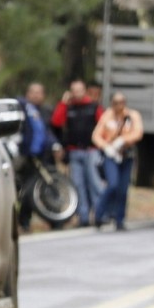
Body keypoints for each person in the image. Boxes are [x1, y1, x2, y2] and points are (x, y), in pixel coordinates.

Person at [50, 79, 104, 227]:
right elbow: (56, 122)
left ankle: (100, 214)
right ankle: (83, 217)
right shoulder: (69, 108)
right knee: (78, 185)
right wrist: (63, 103)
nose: (77, 93)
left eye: (79, 90)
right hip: (74, 152)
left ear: (84, 91)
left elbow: (104, 125)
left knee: (94, 184)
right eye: (74, 91)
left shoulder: (94, 107)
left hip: (91, 151)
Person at [14, 82, 64, 231]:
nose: (36, 95)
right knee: (27, 188)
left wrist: (56, 145)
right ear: (27, 94)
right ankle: (24, 221)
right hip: (26, 156)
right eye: (33, 92)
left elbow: (50, 131)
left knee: (49, 185)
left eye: (39, 92)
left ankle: (56, 221)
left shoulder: (47, 111)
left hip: (44, 156)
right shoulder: (22, 109)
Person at [91, 92, 144, 231]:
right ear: (111, 103)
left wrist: (123, 140)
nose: (119, 105)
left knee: (123, 189)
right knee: (112, 184)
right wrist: (106, 147)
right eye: (116, 103)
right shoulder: (107, 116)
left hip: (126, 155)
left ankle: (119, 219)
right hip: (111, 155)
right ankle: (99, 215)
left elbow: (138, 132)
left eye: (121, 102)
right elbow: (96, 135)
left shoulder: (132, 116)